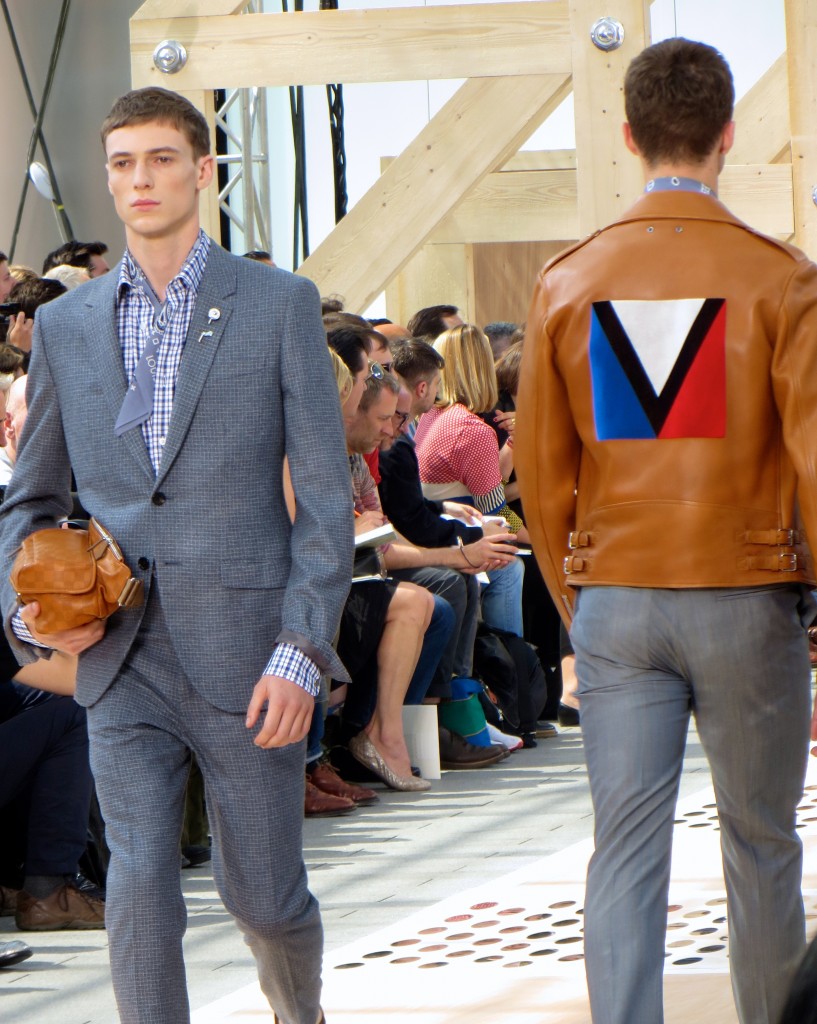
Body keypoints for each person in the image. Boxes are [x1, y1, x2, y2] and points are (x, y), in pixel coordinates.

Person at [0, 86, 352, 1024]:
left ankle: (299, 1013)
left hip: (250, 655)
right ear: (108, 181)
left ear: (202, 171)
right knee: (140, 883)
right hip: (117, 654)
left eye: (160, 159)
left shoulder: (278, 304)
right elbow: (31, 494)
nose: (140, 179)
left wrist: (300, 649)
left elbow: (323, 503)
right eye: (122, 163)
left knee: (265, 899)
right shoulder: (68, 327)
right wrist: (22, 599)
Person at [515, 37, 817, 1024]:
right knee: (761, 842)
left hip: (616, 601)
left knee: (624, 848)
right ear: (728, 135)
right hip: (750, 598)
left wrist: (584, 599)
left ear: (629, 135)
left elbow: (541, 475)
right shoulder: (782, 279)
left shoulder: (567, 279)